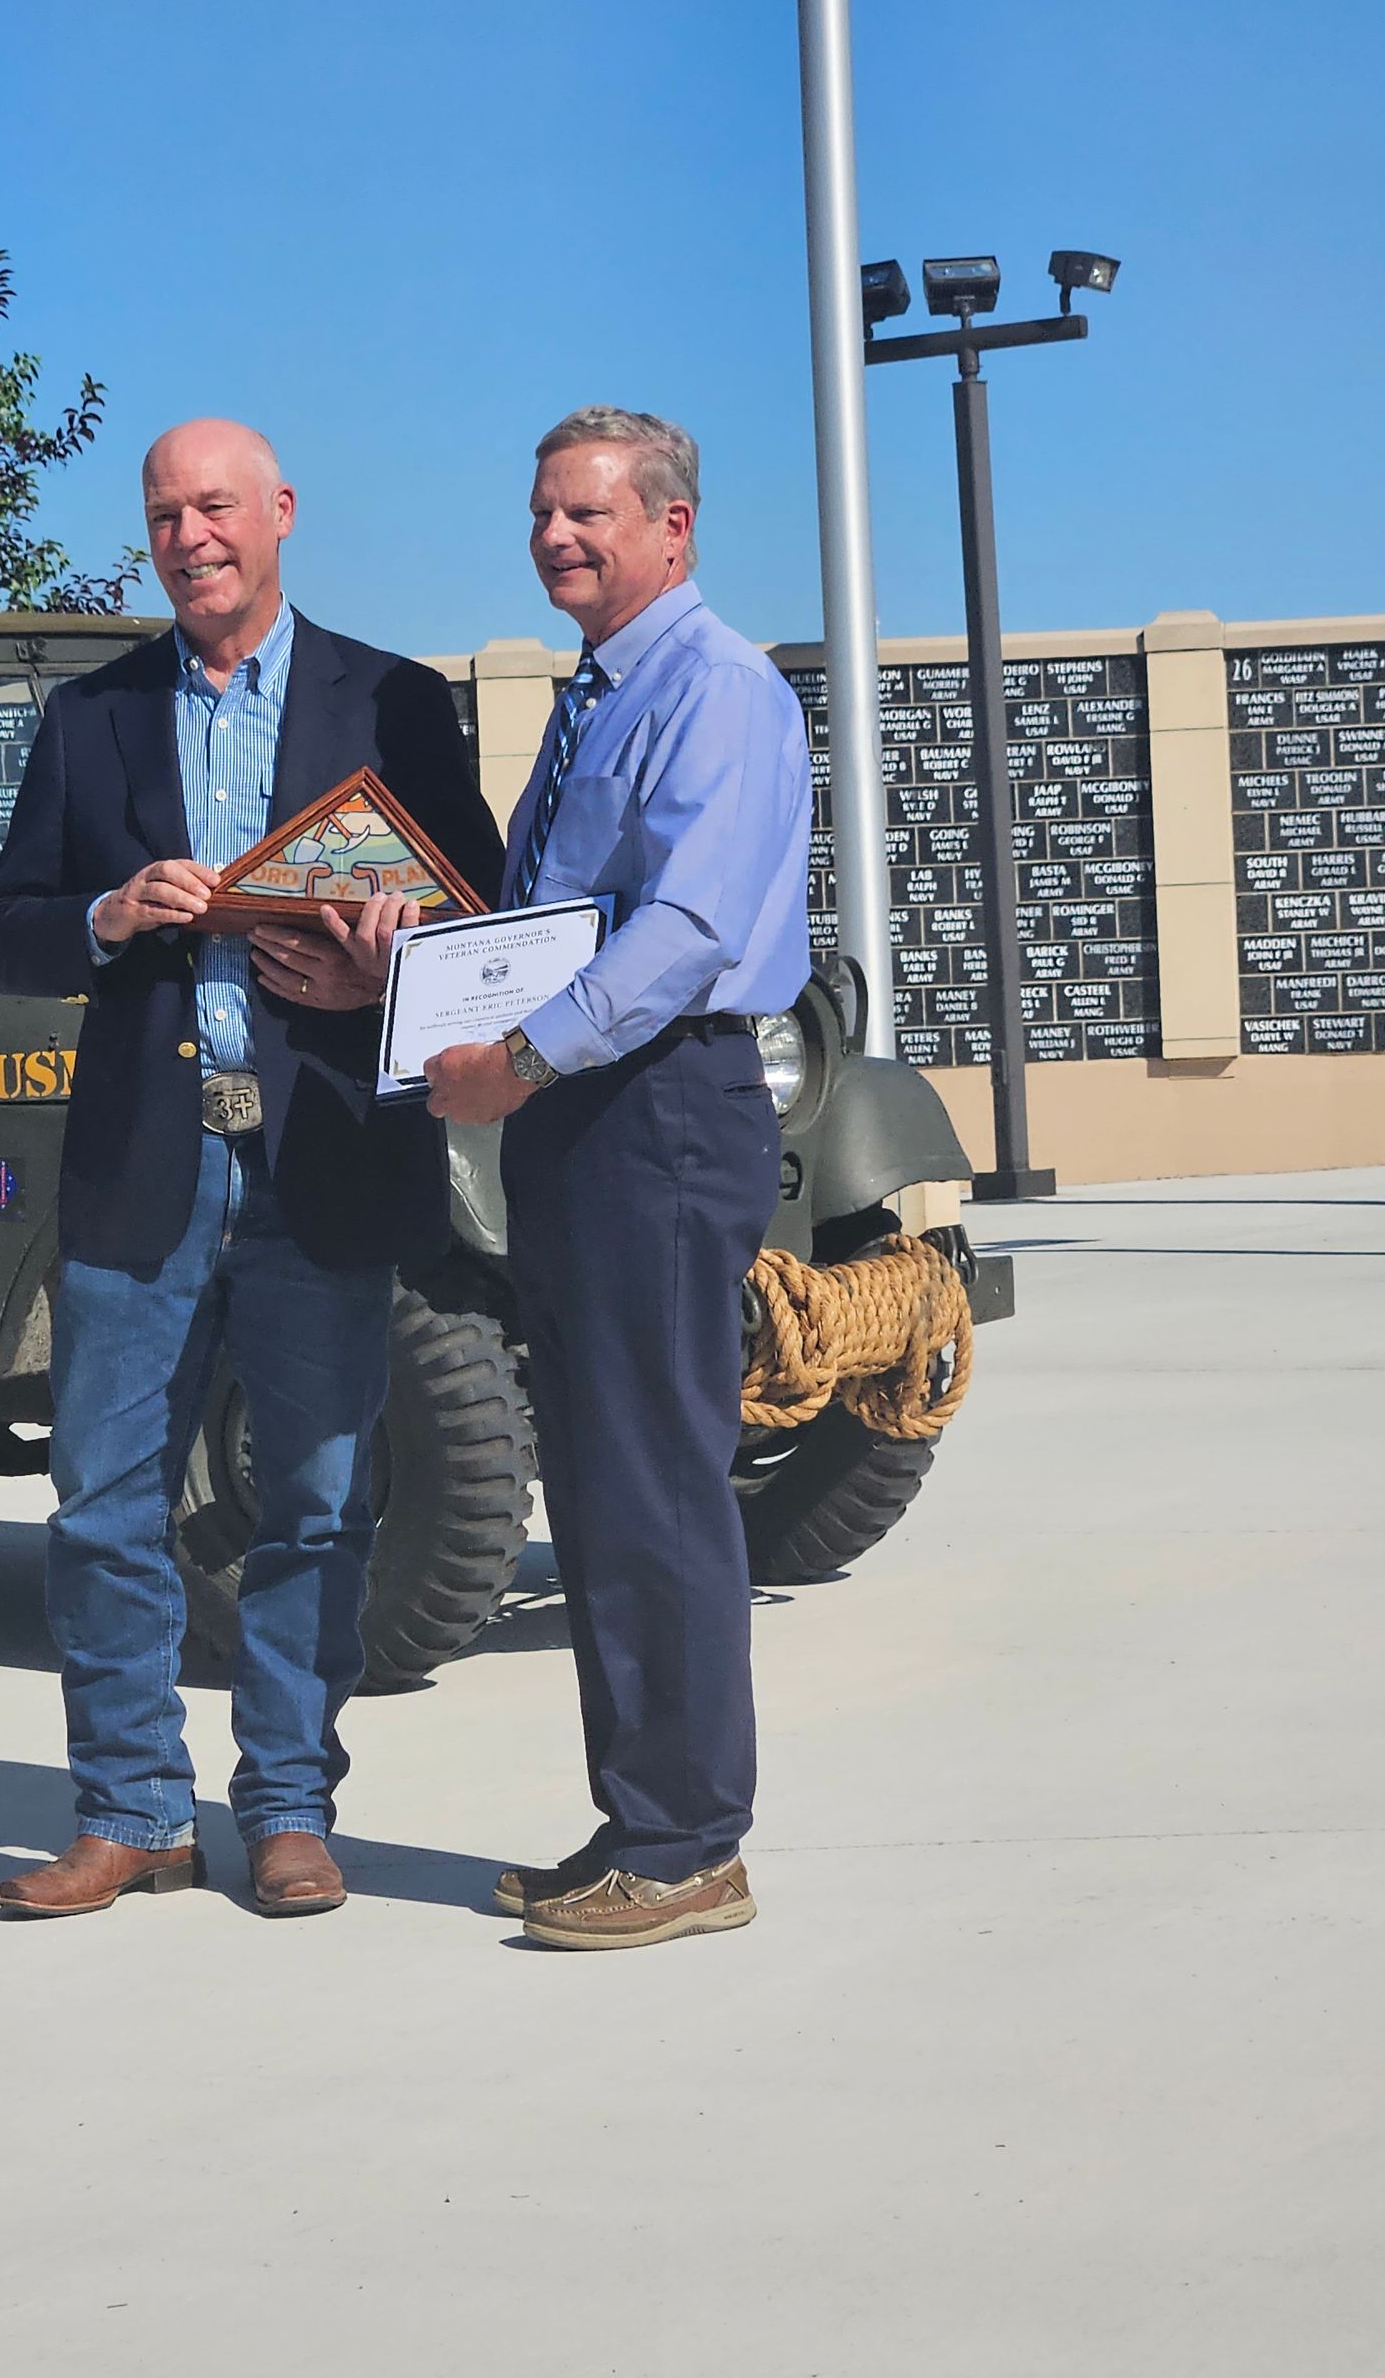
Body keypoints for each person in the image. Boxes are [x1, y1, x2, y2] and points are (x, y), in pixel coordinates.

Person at [0, 418, 502, 1920]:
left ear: (278, 513)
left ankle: (285, 1807)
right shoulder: (92, 717)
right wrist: (113, 913)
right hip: (144, 1162)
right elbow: (5, 933)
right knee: (99, 1502)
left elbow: (481, 925)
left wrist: (391, 966)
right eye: (162, 515)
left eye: (214, 506)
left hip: (321, 1154)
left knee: (318, 1503)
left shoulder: (395, 700)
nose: (189, 535)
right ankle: (132, 1811)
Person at [423, 406, 812, 1951]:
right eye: (542, 514)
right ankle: (642, 1816)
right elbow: (555, 910)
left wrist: (516, 1054)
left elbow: (685, 937)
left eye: (589, 513)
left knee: (653, 1476)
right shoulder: (601, 694)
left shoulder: (714, 691)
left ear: (675, 529)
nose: (558, 538)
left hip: (657, 1105)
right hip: (588, 1120)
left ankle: (693, 1845)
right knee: (591, 1483)